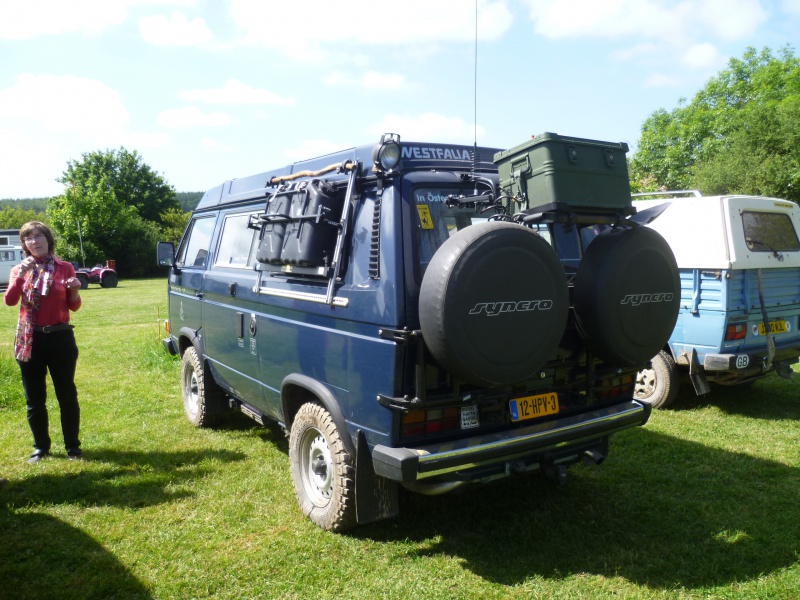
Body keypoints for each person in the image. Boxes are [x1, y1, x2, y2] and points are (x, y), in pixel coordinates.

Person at [3, 221, 83, 464]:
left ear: (48, 240)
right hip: (30, 339)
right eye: (29, 238)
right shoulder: (19, 269)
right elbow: (9, 300)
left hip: (60, 337)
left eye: (39, 236)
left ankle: (73, 447)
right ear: (24, 244)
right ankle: (41, 447)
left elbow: (74, 306)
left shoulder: (64, 267)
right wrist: (22, 276)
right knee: (34, 398)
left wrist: (76, 291)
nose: (34, 241)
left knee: (66, 395)